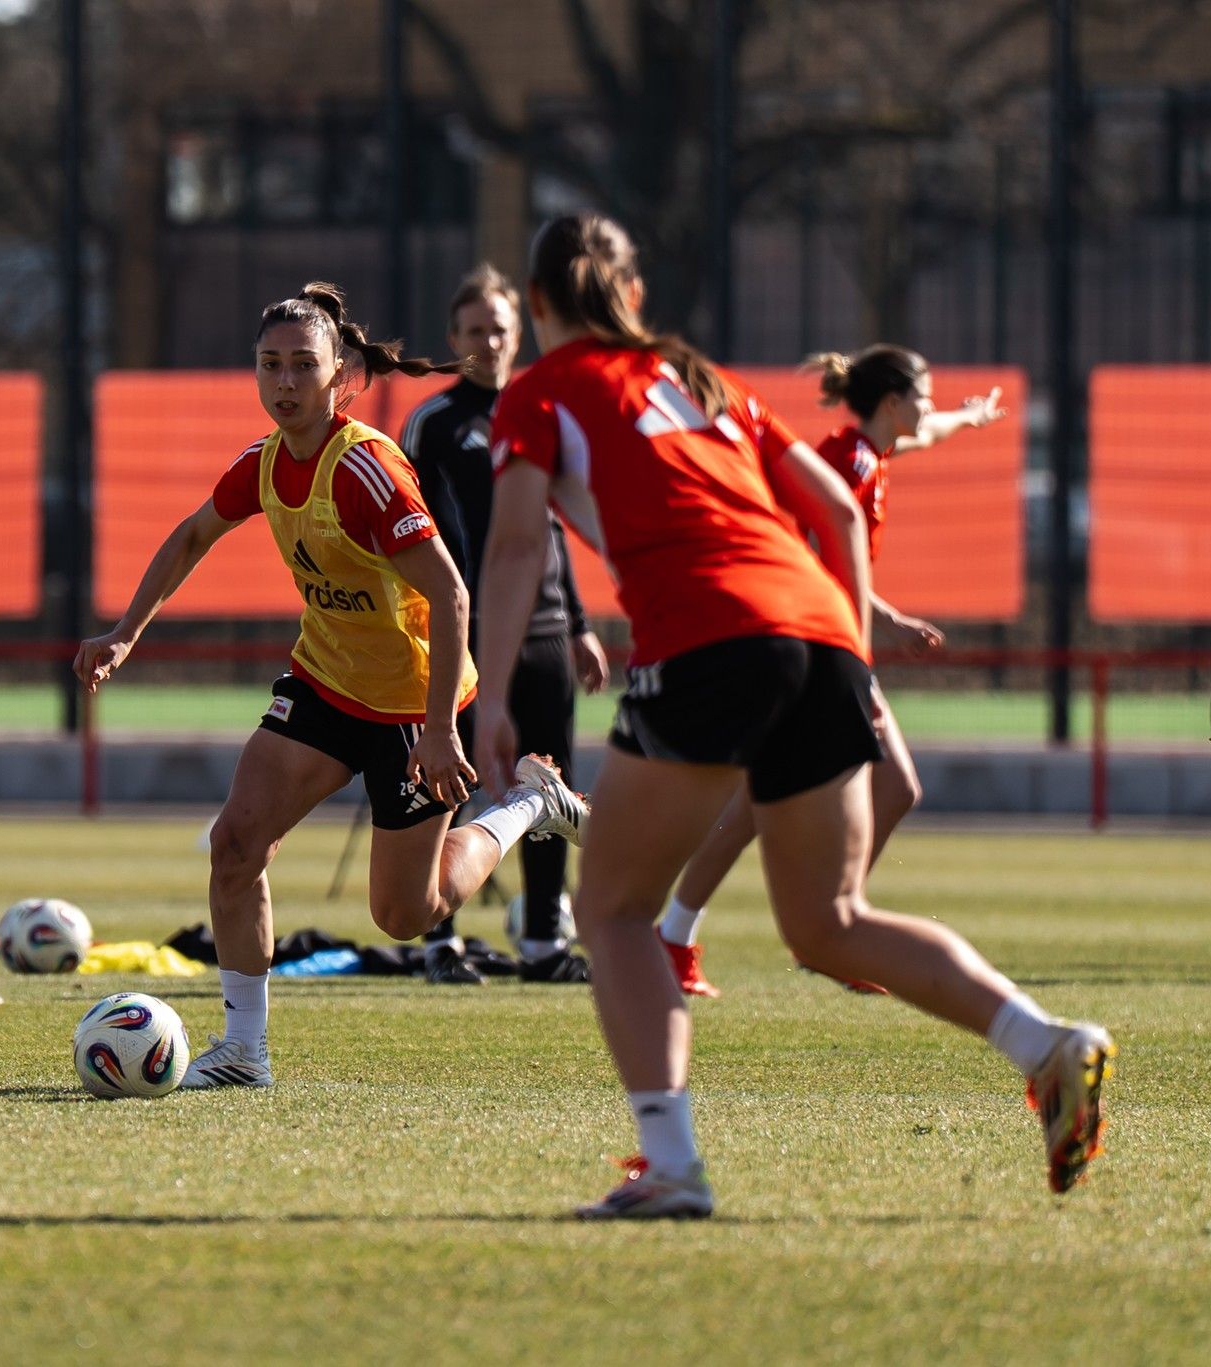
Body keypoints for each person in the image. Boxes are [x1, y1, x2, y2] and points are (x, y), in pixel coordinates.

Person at [472, 213, 1114, 1218]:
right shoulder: (701, 378)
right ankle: (1045, 1042)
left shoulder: (540, 391)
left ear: (541, 303)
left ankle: (671, 1165)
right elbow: (840, 511)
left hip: (707, 635)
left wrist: (495, 692)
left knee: (611, 909)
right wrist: (851, 654)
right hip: (817, 630)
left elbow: (514, 548)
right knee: (829, 920)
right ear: (634, 296)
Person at [75, 281, 590, 1090]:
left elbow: (453, 595)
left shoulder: (367, 472)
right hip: (324, 684)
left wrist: (439, 730)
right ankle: (245, 1051)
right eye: (269, 365)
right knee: (235, 844)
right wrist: (123, 632)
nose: (283, 382)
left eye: (301, 366)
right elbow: (190, 536)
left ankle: (529, 802)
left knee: (406, 915)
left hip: (415, 704)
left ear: (341, 375)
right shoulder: (266, 462)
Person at [657, 345, 1009, 998]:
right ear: (892, 402)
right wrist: (889, 617)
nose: (928, 409)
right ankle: (820, 932)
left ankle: (724, 933)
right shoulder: (849, 461)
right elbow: (814, 555)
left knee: (776, 800)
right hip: (812, 643)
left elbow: (925, 433)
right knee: (873, 786)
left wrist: (967, 416)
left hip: (823, 640)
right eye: (925, 395)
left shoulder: (868, 449)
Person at [399, 264, 610, 986]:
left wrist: (579, 622)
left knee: (545, 781)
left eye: (500, 327)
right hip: (462, 629)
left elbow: (545, 527)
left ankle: (545, 939)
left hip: (544, 627)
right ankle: (439, 937)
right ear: (454, 338)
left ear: (518, 334)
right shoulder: (433, 423)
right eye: (475, 329)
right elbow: (409, 532)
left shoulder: (542, 410)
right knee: (449, 775)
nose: (489, 340)